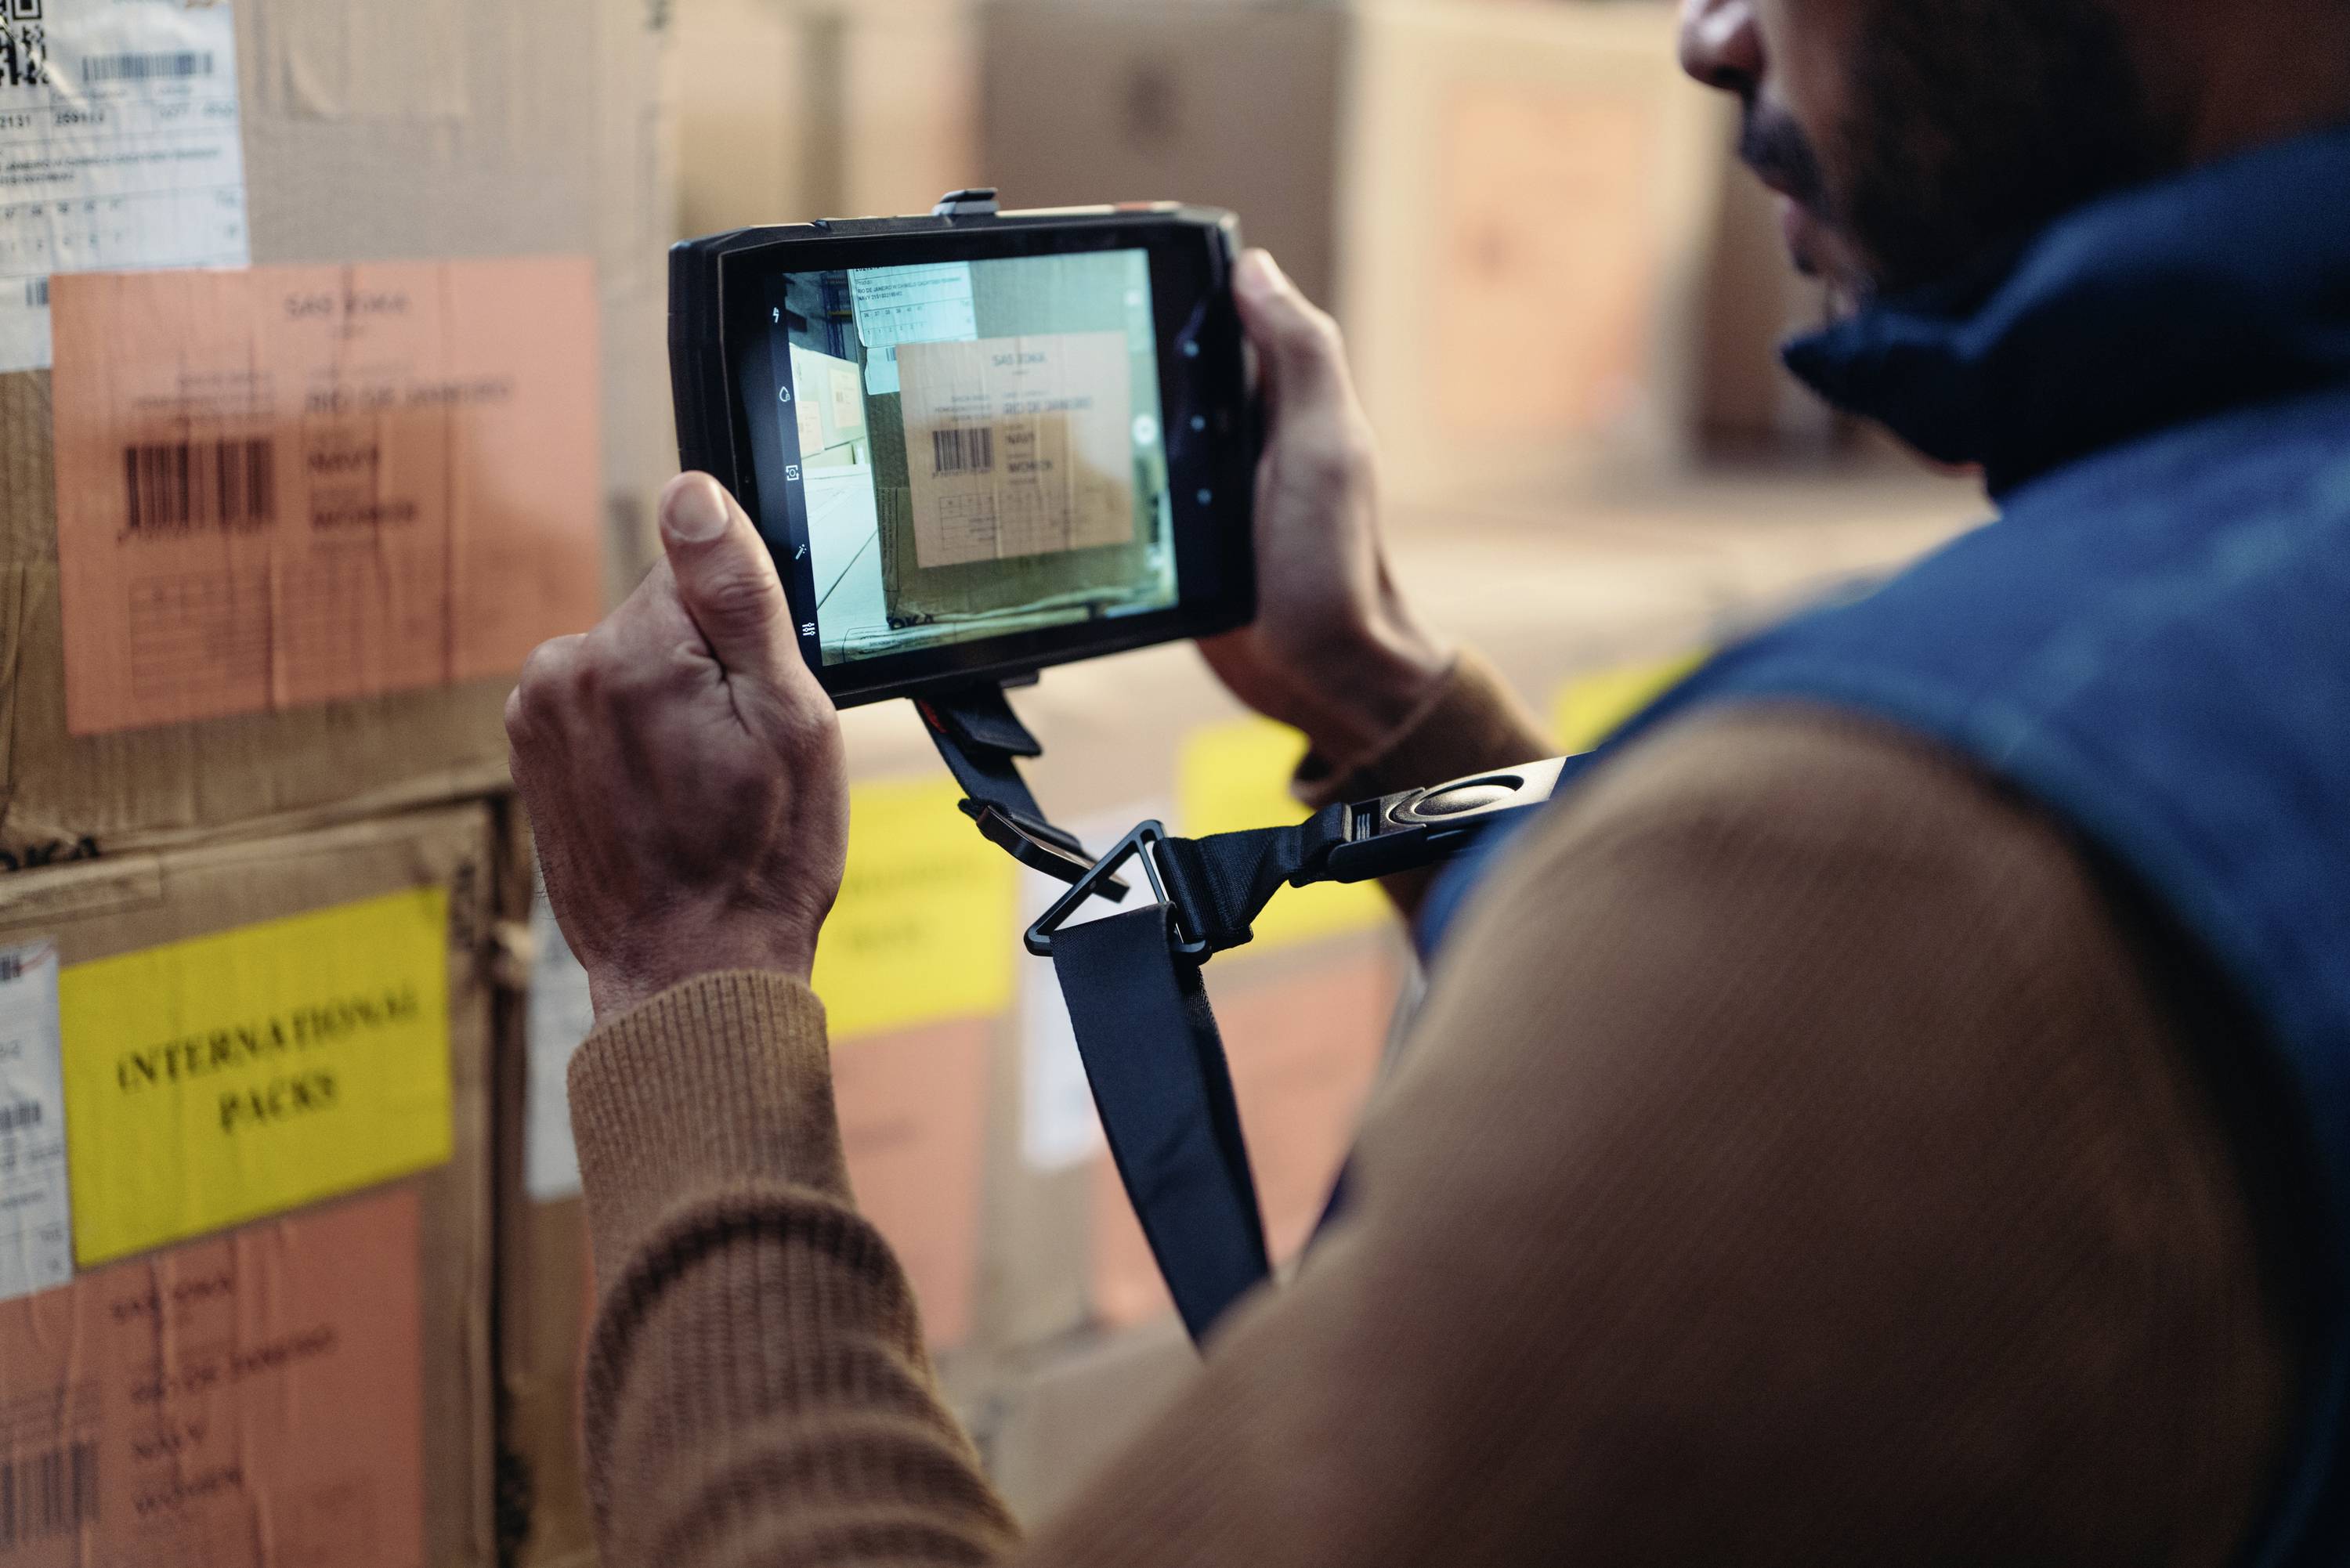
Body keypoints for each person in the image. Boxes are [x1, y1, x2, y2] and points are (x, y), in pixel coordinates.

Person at [507, 0, 2350, 1561]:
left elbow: (1817, 999)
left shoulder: (1904, 878)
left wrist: (698, 970)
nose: (1711, 36)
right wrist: (1383, 692)